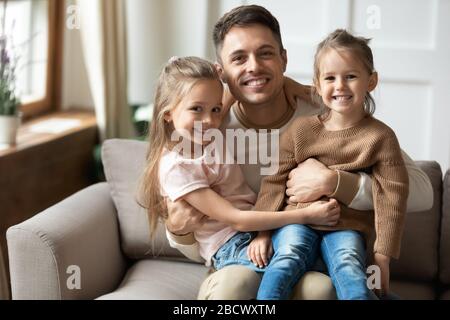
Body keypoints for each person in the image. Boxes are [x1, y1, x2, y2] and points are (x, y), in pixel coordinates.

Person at [165, 5, 434, 300]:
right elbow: (201, 236)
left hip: (316, 253)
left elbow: (422, 191)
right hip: (239, 261)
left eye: (265, 53)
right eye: (239, 58)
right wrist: (178, 231)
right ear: (222, 72)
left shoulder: (330, 112)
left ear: (284, 59)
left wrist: (335, 183)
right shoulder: (207, 128)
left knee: (320, 290)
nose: (253, 66)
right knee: (235, 287)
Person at [139, 56, 340, 300]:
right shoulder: (177, 167)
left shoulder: (207, 132)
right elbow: (236, 219)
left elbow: (244, 85)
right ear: (168, 113)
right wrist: (308, 215)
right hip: (230, 245)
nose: (210, 119)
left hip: (258, 233)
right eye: (196, 109)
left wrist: (291, 85)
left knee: (328, 275)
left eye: (215, 109)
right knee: (302, 268)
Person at [254, 28, 408, 299]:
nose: (339, 86)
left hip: (347, 226)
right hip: (296, 220)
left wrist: (382, 257)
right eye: (330, 78)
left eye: (350, 76)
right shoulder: (300, 131)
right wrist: (262, 233)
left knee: (349, 265)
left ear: (371, 81)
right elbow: (274, 181)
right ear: (318, 83)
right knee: (287, 256)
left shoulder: (381, 137)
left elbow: (392, 197)